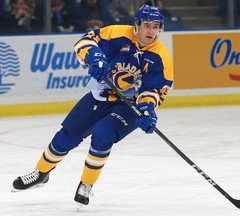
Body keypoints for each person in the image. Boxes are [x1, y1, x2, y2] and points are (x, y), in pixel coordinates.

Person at [12, 4, 173, 207]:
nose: (151, 31)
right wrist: (94, 57)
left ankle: (86, 185)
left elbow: (155, 89)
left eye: (156, 26)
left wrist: (147, 109)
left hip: (128, 105)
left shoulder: (160, 56)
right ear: (137, 25)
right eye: (147, 25)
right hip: (100, 96)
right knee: (66, 137)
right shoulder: (117, 34)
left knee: (103, 134)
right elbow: (86, 42)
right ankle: (40, 173)